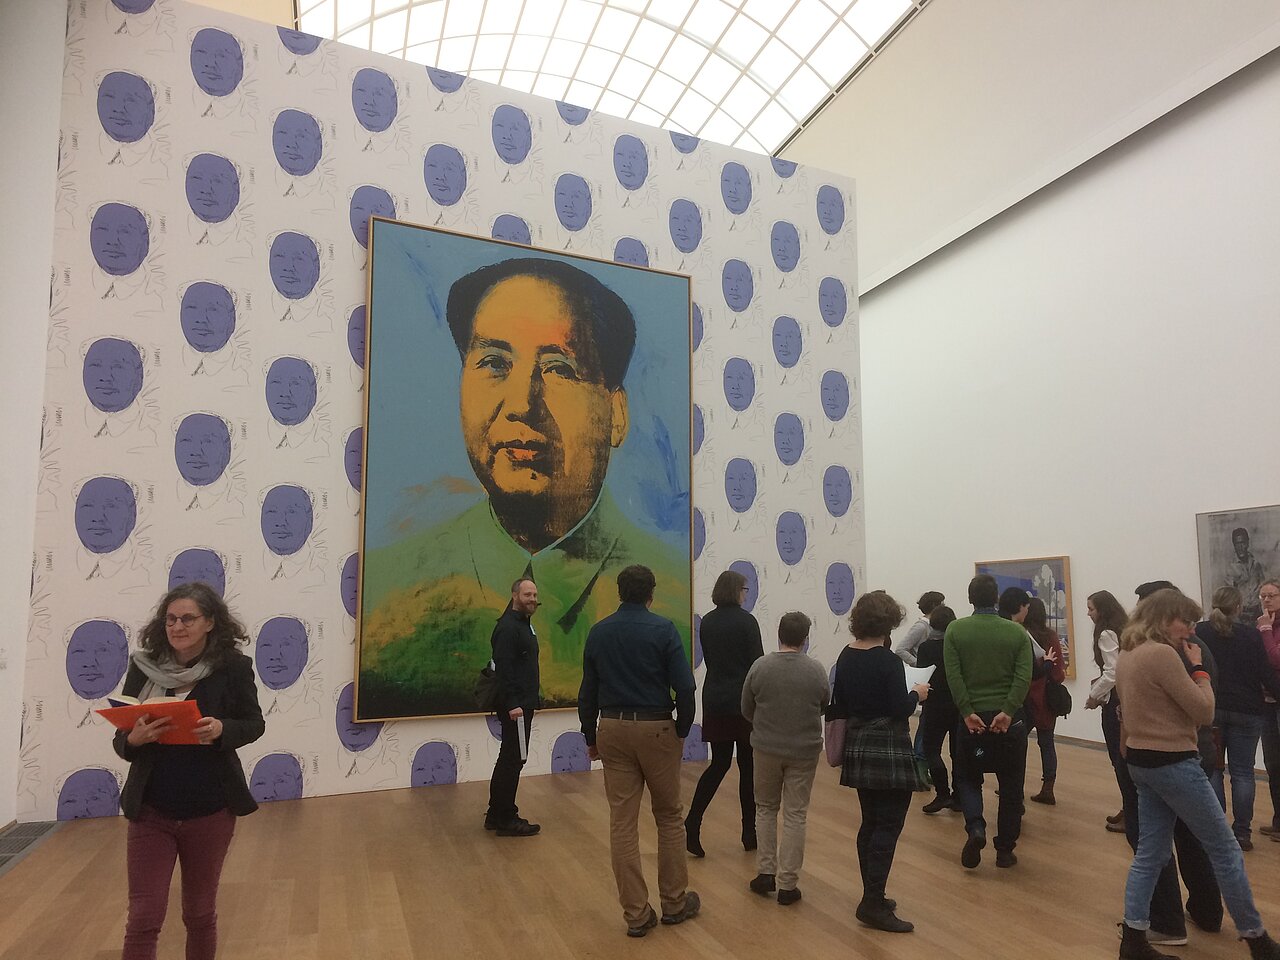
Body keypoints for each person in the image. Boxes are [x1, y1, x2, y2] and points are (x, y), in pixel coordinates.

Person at [360, 257, 690, 718]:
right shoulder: (385, 601)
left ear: (616, 414)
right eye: (494, 363)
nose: (521, 404)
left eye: (558, 369)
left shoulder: (677, 605)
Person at [1116, 589, 1280, 960]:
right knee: (1225, 849)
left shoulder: (1129, 652)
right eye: (1185, 621)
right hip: (1174, 762)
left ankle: (1133, 940)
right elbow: (1204, 712)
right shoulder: (1162, 654)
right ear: (1163, 618)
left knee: (1150, 854)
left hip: (1142, 762)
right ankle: (1257, 939)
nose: (1191, 630)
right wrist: (1198, 669)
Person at [112, 582, 265, 960]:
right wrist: (134, 739)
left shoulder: (233, 667)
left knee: (199, 913)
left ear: (210, 622)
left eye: (187, 619)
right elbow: (122, 738)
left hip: (210, 809)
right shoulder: (143, 665)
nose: (177, 627)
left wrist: (222, 730)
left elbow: (253, 724)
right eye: (170, 619)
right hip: (151, 810)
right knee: (143, 916)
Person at [578, 564, 700, 938]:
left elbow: (587, 692)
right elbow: (686, 687)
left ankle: (636, 914)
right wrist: (681, 729)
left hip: (612, 728)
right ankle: (675, 903)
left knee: (622, 822)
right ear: (651, 593)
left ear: (620, 592)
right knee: (669, 816)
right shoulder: (663, 629)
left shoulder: (599, 632)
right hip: (656, 727)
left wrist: (590, 736)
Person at [831, 591, 930, 933]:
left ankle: (873, 896)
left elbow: (841, 704)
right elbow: (899, 708)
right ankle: (872, 903)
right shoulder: (887, 660)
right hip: (887, 747)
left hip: (859, 745)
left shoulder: (846, 655)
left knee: (870, 823)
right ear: (888, 622)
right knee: (888, 825)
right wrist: (917, 693)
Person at [740, 611, 829, 905]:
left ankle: (765, 872)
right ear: (805, 638)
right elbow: (823, 704)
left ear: (779, 634)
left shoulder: (760, 666)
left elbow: (746, 708)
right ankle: (788, 885)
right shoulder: (816, 670)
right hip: (804, 750)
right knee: (795, 813)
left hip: (766, 748)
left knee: (765, 808)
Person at [944, 574, 1032, 870]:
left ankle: (976, 828)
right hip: (1009, 723)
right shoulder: (1016, 633)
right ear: (996, 598)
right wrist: (1008, 711)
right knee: (1011, 785)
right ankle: (1005, 850)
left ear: (970, 599)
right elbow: (1023, 677)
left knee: (968, 777)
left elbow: (954, 676)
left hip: (972, 722)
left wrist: (967, 711)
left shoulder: (955, 630)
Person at [685, 569, 764, 857]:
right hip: (743, 701)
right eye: (745, 589)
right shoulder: (747, 621)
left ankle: (693, 821)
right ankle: (749, 832)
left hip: (716, 698)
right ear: (737, 591)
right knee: (748, 765)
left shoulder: (708, 622)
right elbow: (757, 664)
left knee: (719, 764)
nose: (746, 594)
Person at [1195, 587, 1280, 850]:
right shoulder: (1251, 635)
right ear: (1239, 607)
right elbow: (1264, 671)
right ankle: (1242, 833)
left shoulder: (1200, 632)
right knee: (1243, 773)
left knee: (1214, 770)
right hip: (1247, 710)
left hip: (1213, 708)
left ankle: (1218, 831)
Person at [485, 577, 542, 837]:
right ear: (515, 595)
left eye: (535, 595)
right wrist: (512, 704)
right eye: (527, 594)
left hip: (522, 704)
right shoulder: (508, 628)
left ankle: (496, 815)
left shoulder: (523, 625)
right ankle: (506, 818)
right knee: (513, 760)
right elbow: (503, 669)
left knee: (510, 758)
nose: (532, 599)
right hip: (515, 707)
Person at [1085, 590, 1128, 830]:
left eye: (1091, 608)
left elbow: (1113, 672)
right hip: (1126, 699)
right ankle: (1130, 808)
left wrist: (1094, 695)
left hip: (1115, 705)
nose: (1088, 613)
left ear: (1102, 610)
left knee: (1119, 759)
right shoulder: (1123, 628)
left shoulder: (1106, 633)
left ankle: (1131, 812)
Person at [916, 603, 960, 814]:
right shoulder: (959, 646)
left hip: (934, 705)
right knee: (958, 752)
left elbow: (923, 676)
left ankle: (943, 794)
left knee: (932, 750)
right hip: (958, 704)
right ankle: (959, 797)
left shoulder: (926, 648)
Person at [1024, 597, 1065, 805]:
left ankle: (1012, 784)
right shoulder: (1051, 636)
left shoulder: (1021, 635)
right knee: (1047, 743)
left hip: (1024, 696)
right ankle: (1048, 788)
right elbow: (1059, 671)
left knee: (1017, 742)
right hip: (1046, 698)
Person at [1255, 580, 1280, 842]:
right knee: (1273, 764)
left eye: (1272, 595)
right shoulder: (1262, 624)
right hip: (1267, 703)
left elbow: (1275, 658)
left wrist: (1265, 630)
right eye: (1263, 596)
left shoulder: (1265, 627)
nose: (1267, 600)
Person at [892, 590, 945, 666]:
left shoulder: (936, 625)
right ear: (934, 606)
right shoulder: (921, 626)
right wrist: (919, 664)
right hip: (925, 670)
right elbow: (900, 649)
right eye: (942, 605)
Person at [1226, 528, 1267, 622]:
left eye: (1242, 543)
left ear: (1247, 543)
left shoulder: (1256, 563)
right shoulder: (1230, 568)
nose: (1240, 547)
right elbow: (1229, 596)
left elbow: (1263, 586)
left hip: (1257, 613)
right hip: (1241, 615)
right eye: (1237, 544)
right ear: (1234, 545)